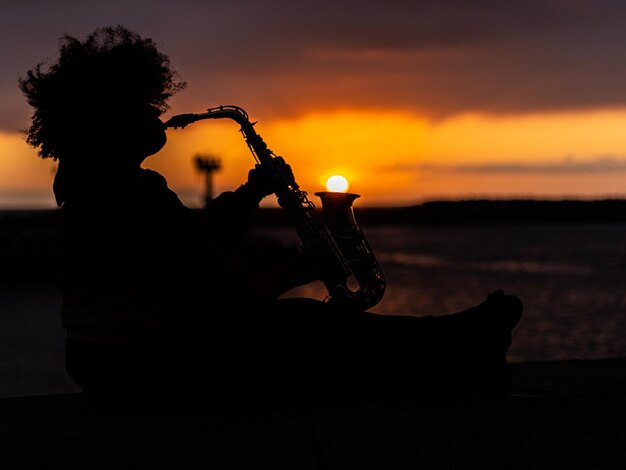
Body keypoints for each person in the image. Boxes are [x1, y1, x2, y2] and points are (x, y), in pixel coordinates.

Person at [19, 25, 523, 412]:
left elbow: (190, 239)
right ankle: (462, 344)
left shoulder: (101, 191)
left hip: (116, 366)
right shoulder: (122, 196)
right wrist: (299, 271)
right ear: (109, 121)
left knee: (306, 330)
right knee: (308, 328)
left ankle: (457, 343)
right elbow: (221, 294)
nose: (159, 116)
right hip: (144, 368)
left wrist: (251, 193)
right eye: (144, 107)